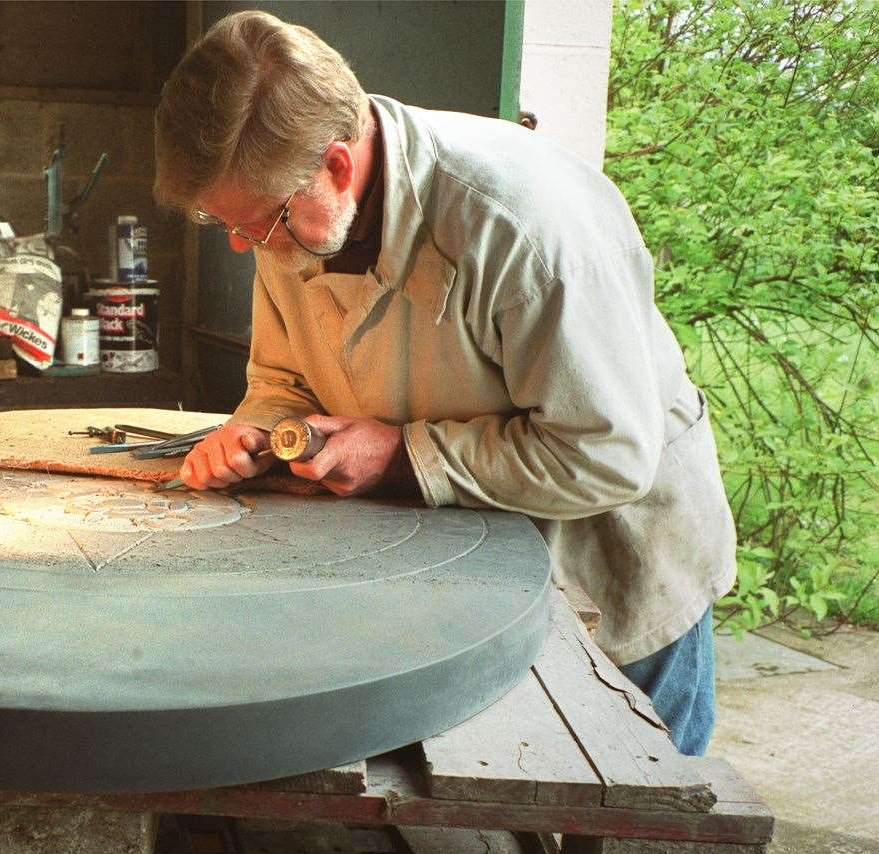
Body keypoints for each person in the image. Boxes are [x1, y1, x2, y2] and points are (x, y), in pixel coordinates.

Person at [154, 11, 735, 756]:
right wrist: (261, 430)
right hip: (468, 561)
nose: (245, 244)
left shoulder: (524, 228)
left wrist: (399, 454)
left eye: (258, 224)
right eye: (222, 222)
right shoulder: (288, 202)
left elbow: (605, 454)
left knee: (628, 799)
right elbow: (283, 375)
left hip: (610, 554)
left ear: (335, 166)